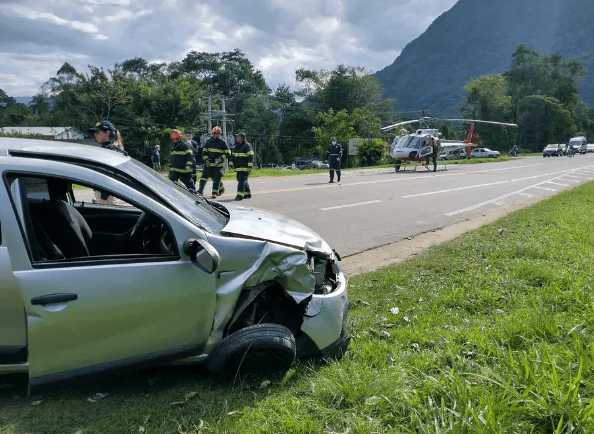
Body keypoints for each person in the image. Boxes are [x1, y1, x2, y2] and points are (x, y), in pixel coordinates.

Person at [89, 120, 125, 204]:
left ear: (107, 132)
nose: (95, 134)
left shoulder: (111, 151)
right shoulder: (109, 149)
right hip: (106, 194)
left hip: (110, 195)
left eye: (97, 132)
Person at [198, 126, 231, 198]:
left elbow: (228, 153)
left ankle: (214, 193)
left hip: (218, 165)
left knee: (216, 178)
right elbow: (204, 152)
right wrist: (206, 160)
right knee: (204, 177)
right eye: (216, 133)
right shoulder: (208, 142)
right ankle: (200, 191)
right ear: (213, 133)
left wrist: (221, 158)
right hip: (209, 164)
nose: (218, 135)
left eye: (219, 133)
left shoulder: (223, 142)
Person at [230, 132, 253, 200]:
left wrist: (249, 167)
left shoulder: (247, 146)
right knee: (242, 180)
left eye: (238, 137)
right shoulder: (237, 146)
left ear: (241, 138)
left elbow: (250, 157)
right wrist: (231, 164)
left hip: (244, 167)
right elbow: (233, 156)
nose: (236, 138)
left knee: (241, 181)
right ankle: (247, 194)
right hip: (238, 168)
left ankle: (239, 195)